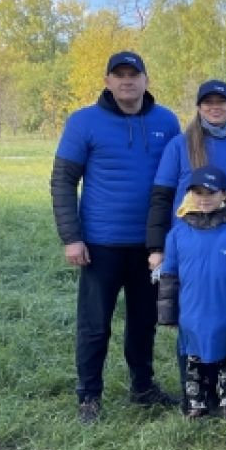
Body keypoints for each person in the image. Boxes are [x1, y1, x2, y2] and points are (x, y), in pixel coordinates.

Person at [51, 50, 182, 424]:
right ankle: (89, 396)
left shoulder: (167, 121)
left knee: (144, 322)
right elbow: (63, 181)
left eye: (133, 74)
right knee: (95, 324)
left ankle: (143, 387)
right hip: (99, 245)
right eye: (119, 75)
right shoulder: (83, 122)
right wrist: (71, 237)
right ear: (107, 81)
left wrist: (172, 239)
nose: (127, 81)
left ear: (146, 79)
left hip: (150, 247)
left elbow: (179, 180)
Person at [155, 166, 226, 418]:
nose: (203, 198)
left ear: (224, 194)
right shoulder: (178, 232)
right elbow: (169, 275)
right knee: (194, 360)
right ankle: (196, 404)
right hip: (192, 310)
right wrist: (168, 314)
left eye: (210, 193)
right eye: (197, 192)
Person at [146, 79, 226, 272]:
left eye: (221, 102)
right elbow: (161, 199)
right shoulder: (179, 145)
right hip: (186, 244)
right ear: (199, 108)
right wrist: (157, 248)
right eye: (208, 102)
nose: (215, 107)